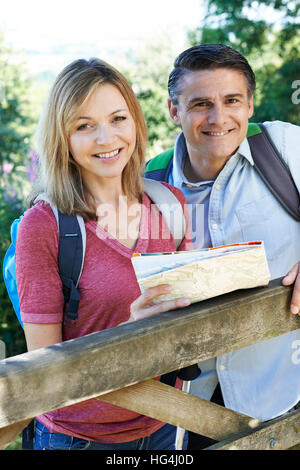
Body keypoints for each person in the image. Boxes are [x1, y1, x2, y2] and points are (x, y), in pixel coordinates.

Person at [14, 58, 193, 450]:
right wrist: (127, 334)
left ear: (135, 122)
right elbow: (43, 374)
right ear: (62, 137)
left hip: (166, 421)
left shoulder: (170, 206)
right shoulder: (42, 228)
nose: (106, 138)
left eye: (117, 118)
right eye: (84, 126)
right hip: (80, 438)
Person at [145, 44, 300, 449]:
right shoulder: (150, 181)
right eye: (200, 104)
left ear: (250, 104)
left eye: (232, 100)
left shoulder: (285, 150)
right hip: (188, 404)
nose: (218, 117)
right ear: (174, 110)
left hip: (286, 389)